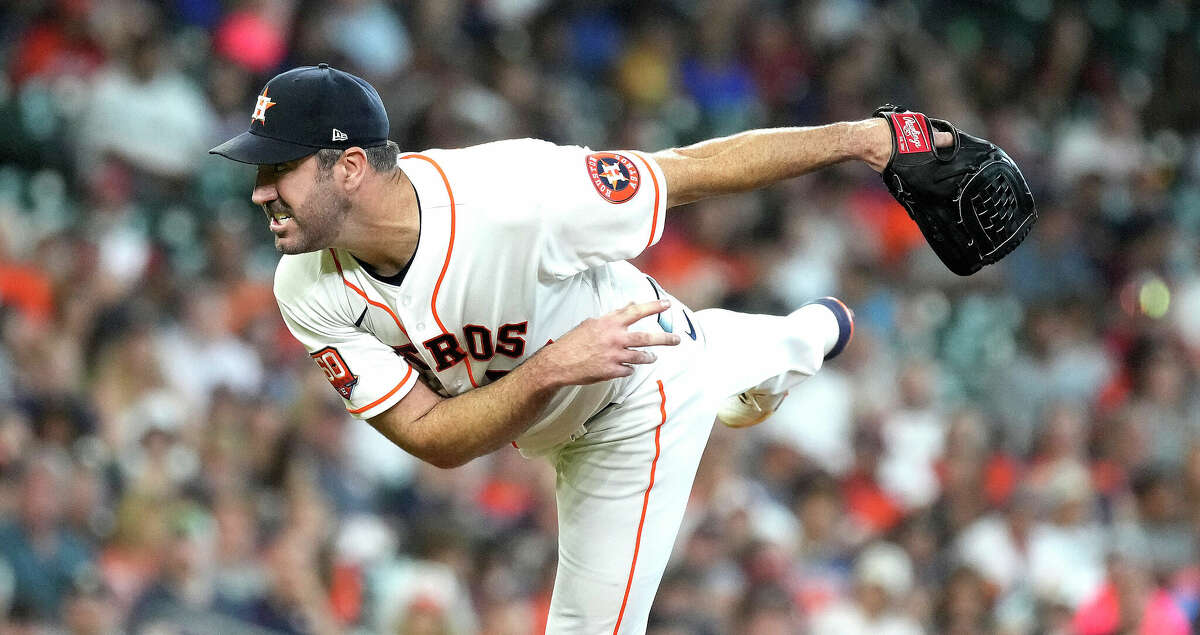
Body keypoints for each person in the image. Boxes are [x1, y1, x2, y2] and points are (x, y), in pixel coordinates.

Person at [210, 64, 950, 633]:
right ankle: (801, 333)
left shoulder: (517, 194)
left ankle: (781, 338)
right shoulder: (304, 286)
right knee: (708, 344)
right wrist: (552, 367)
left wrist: (864, 139)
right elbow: (432, 438)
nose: (259, 191)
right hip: (579, 378)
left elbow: (687, 171)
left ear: (347, 167)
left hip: (634, 393)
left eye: (279, 169)